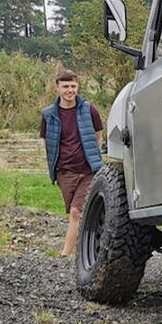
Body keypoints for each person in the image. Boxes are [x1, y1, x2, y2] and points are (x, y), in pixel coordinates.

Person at [39, 70, 104, 257]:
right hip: (64, 172)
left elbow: (98, 133)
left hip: (87, 170)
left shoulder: (88, 109)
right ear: (57, 88)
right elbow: (47, 142)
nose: (70, 90)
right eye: (66, 86)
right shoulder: (48, 115)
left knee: (77, 211)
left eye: (73, 86)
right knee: (75, 212)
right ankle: (90, 246)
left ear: (78, 87)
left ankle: (67, 253)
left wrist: (93, 156)